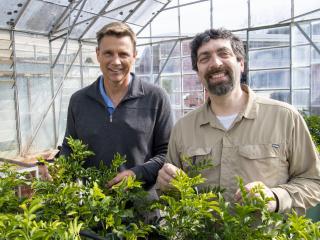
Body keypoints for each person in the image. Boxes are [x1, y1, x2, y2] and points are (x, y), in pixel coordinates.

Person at [156, 28, 320, 214]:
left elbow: (313, 181)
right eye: (204, 58)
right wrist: (166, 186)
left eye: (223, 54)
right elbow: (170, 197)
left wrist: (275, 197)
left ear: (241, 63)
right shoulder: (183, 128)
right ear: (198, 72)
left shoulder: (285, 117)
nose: (215, 63)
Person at [59, 22, 173, 190]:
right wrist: (58, 169)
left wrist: (137, 174)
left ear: (134, 55)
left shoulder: (156, 98)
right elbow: (70, 148)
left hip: (142, 205)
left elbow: (167, 153)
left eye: (123, 54)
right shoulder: (79, 101)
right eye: (108, 53)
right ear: (98, 55)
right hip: (91, 207)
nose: (116, 61)